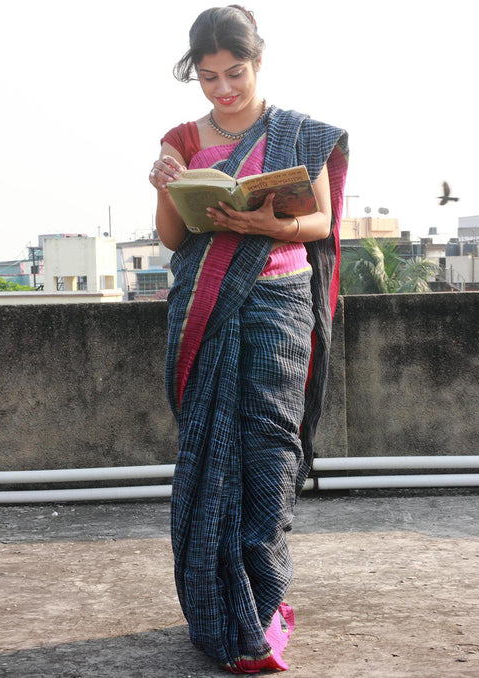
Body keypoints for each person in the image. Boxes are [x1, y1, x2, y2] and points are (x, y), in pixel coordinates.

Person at [149, 5, 348, 673]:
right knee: (208, 453)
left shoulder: (298, 134)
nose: (222, 90)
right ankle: (215, 616)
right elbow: (174, 238)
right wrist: (163, 188)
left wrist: (266, 227)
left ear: (258, 62)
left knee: (269, 448)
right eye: (207, 78)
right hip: (207, 306)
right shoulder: (180, 137)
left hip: (279, 299)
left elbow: (318, 220)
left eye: (233, 73)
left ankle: (259, 611)